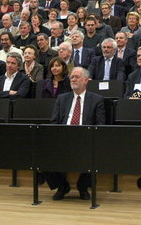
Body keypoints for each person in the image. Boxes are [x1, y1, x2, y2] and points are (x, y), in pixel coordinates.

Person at [45, 67, 105, 200]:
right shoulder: (62, 98)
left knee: (97, 150)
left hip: (86, 138)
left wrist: (88, 136)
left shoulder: (97, 100)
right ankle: (62, 186)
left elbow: (100, 125)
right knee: (42, 151)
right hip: (63, 137)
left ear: (85, 80)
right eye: (72, 77)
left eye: (76, 77)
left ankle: (82, 186)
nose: (73, 79)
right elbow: (54, 122)